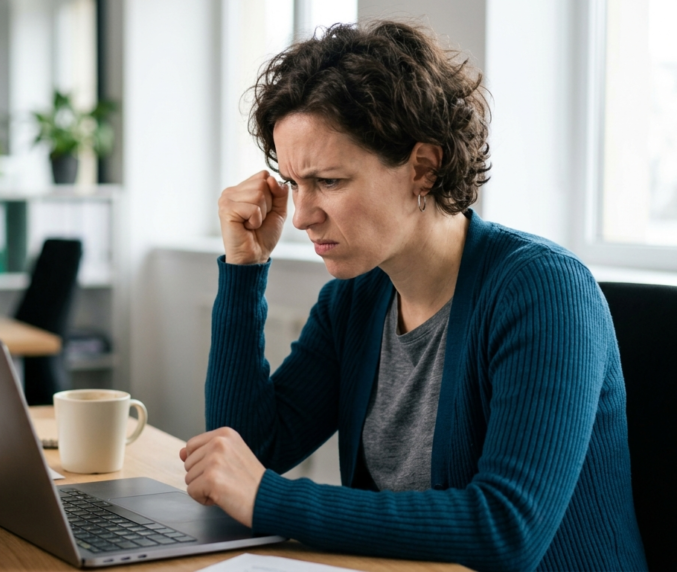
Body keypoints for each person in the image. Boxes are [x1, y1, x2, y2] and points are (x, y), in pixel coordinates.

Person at [179, 21, 647, 572]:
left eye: (328, 181)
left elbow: (506, 529)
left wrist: (269, 499)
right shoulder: (355, 301)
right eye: (294, 182)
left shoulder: (544, 291)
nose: (302, 215)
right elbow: (249, 452)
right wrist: (244, 267)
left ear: (423, 167)